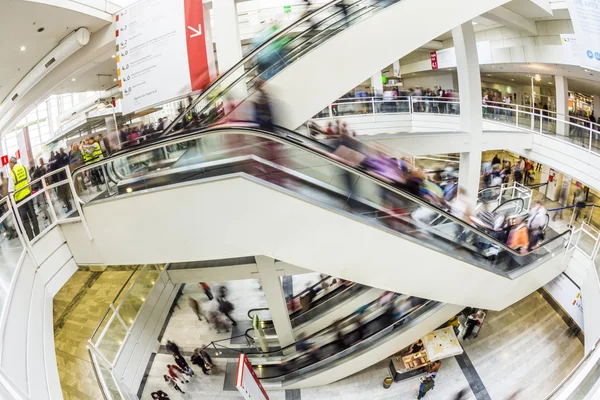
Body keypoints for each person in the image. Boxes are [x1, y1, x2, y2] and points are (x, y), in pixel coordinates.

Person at [8, 157, 40, 240]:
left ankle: (31, 238)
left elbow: (11, 190)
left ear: (12, 163)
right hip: (28, 195)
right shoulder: (24, 168)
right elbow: (29, 180)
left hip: (19, 200)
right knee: (33, 215)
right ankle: (38, 235)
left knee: (25, 220)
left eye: (9, 164)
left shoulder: (12, 173)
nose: (9, 166)